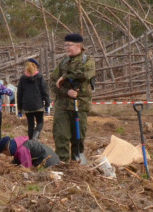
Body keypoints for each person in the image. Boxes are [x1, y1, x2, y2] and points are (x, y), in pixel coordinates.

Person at [51, 33, 96, 162]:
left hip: (80, 106)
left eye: (68, 45)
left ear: (78, 46)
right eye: (65, 45)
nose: (66, 48)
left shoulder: (88, 60)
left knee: (79, 136)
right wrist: (67, 92)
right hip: (62, 106)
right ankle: (62, 163)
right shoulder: (63, 63)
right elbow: (53, 83)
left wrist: (65, 77)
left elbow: (86, 74)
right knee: (61, 136)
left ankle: (77, 162)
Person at [17, 58, 50, 139]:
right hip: (38, 105)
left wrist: (19, 109)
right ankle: (35, 137)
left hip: (27, 106)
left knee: (30, 125)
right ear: (36, 67)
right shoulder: (39, 77)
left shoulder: (22, 78)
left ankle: (31, 143)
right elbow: (44, 91)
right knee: (40, 123)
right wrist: (47, 105)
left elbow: (19, 94)